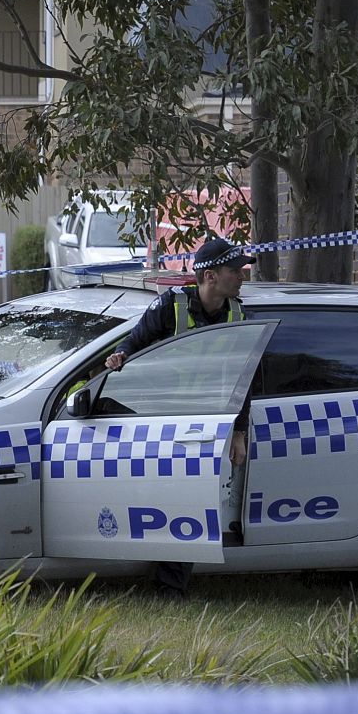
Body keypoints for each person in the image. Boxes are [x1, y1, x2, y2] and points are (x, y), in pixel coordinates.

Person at [103, 236, 254, 597]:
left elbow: (245, 378)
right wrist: (120, 356)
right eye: (235, 270)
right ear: (211, 276)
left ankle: (170, 588)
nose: (242, 276)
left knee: (193, 502)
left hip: (208, 426)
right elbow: (134, 343)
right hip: (162, 421)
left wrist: (239, 432)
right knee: (163, 499)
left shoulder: (239, 314)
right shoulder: (171, 305)